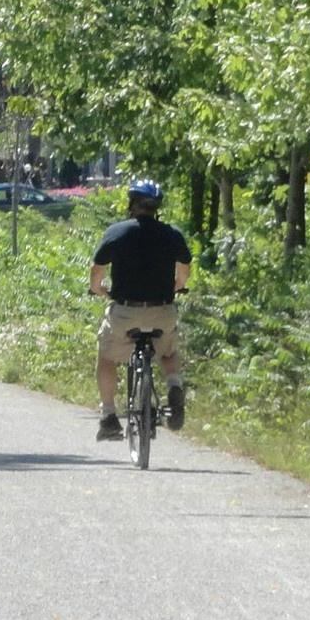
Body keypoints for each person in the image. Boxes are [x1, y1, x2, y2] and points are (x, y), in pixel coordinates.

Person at [89, 179, 192, 441]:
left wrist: (98, 289)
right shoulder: (171, 233)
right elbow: (184, 270)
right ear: (156, 207)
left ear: (132, 204)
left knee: (107, 355)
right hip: (162, 311)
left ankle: (109, 416)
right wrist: (177, 285)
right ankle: (174, 386)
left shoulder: (117, 231)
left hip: (126, 312)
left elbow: (97, 270)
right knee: (168, 351)